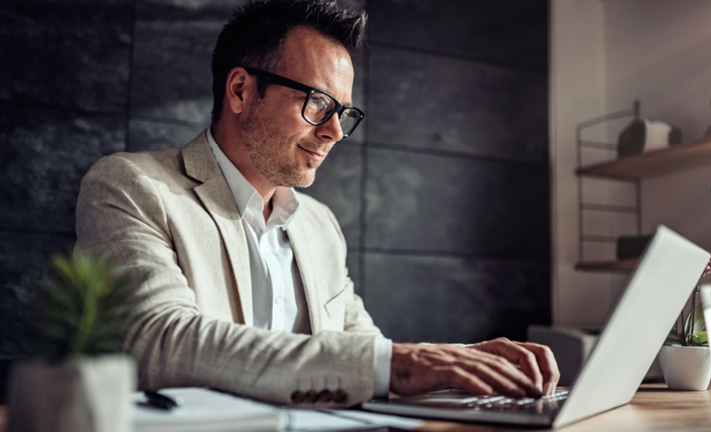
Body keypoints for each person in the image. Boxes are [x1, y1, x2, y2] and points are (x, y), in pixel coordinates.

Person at [75, 0, 559, 407]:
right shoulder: (130, 185)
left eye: (343, 113)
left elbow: (363, 351)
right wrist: (403, 364)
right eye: (316, 103)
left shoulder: (320, 226)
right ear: (241, 90)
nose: (333, 132)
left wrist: (465, 362)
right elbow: (159, 343)